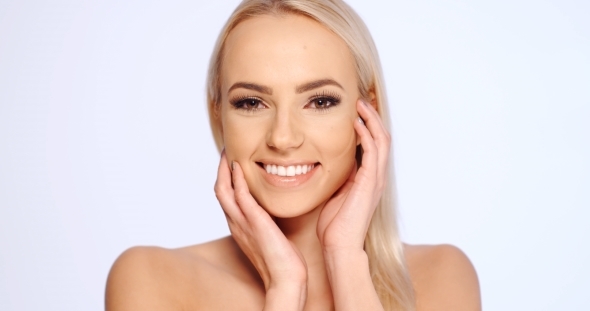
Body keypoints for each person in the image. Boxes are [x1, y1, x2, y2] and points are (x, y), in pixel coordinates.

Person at [105, 0, 481, 310]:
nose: (282, 138)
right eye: (251, 102)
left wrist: (345, 260)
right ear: (218, 112)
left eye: (319, 101)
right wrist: (284, 287)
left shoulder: (441, 277)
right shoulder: (151, 279)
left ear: (368, 111)